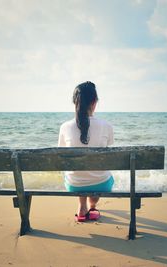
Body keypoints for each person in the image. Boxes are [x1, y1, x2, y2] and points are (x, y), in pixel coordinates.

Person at [58, 81, 114, 222]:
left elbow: (61, 154)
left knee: (78, 174)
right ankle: (92, 206)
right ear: (94, 102)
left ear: (75, 102)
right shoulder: (106, 126)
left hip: (74, 184)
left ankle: (82, 206)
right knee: (98, 174)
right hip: (102, 183)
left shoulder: (65, 127)